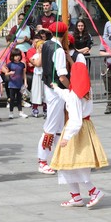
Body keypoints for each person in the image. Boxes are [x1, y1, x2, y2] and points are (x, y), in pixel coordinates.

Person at [49, 62, 108, 208]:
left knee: (71, 164)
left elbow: (75, 119)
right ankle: (76, 197)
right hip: (86, 128)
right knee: (72, 165)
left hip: (76, 130)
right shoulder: (86, 90)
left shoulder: (75, 95)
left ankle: (93, 191)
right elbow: (68, 95)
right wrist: (56, 88)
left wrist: (67, 137)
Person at [36, 22, 72, 175]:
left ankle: (58, 157)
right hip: (57, 90)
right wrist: (71, 87)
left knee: (57, 127)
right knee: (51, 127)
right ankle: (42, 160)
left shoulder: (45, 45)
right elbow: (62, 75)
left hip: (49, 88)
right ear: (64, 34)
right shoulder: (58, 51)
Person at [2, 48, 28, 119]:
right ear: (12, 56)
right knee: (12, 99)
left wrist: (25, 82)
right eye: (16, 56)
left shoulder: (22, 64)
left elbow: (24, 74)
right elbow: (6, 73)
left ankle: (20, 111)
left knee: (19, 98)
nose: (18, 57)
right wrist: (9, 73)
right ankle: (11, 112)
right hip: (12, 84)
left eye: (19, 55)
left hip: (19, 84)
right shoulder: (10, 64)